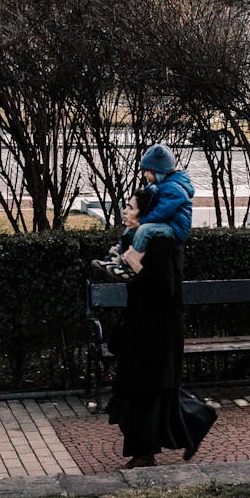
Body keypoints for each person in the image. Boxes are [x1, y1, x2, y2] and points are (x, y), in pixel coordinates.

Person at [105, 190, 217, 469]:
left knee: (145, 395)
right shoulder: (139, 239)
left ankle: (145, 454)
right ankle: (196, 421)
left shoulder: (163, 243)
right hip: (142, 329)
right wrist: (120, 262)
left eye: (130, 208)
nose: (125, 212)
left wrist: (133, 266)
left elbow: (163, 289)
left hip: (157, 334)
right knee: (145, 395)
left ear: (146, 214)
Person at [96, 143, 194, 279]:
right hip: (164, 224)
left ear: (159, 171)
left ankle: (130, 263)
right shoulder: (161, 186)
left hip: (174, 228)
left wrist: (141, 221)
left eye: (148, 171)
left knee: (144, 229)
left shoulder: (174, 189)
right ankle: (116, 255)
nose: (145, 174)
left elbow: (163, 212)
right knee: (132, 227)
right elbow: (146, 197)